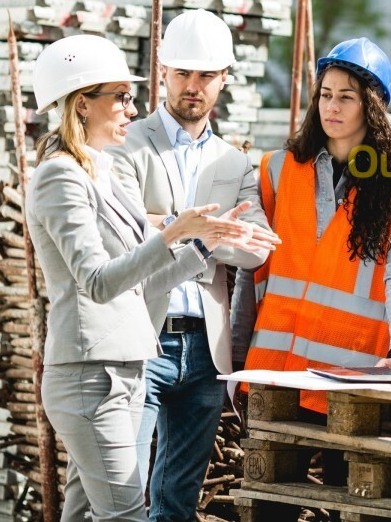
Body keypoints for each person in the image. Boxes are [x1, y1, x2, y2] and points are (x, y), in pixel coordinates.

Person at [25, 35, 266, 522]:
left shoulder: (102, 174)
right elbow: (96, 282)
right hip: (92, 375)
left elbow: (139, 285)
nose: (132, 110)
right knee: (126, 515)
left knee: (83, 514)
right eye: (121, 96)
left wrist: (204, 244)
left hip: (125, 368)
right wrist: (174, 230)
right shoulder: (59, 177)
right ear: (81, 104)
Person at [108, 10, 278, 521]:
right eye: (183, 73)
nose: (193, 86)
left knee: (179, 500)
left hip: (206, 349)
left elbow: (257, 248)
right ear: (163, 72)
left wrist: (177, 227)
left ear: (224, 78)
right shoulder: (126, 145)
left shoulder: (234, 162)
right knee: (125, 493)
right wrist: (203, 228)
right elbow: (118, 233)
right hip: (142, 337)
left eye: (205, 75)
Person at [237, 37, 391, 413]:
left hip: (350, 373)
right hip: (275, 371)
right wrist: (235, 349)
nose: (332, 106)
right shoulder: (278, 169)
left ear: (372, 105)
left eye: (346, 97)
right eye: (325, 95)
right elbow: (252, 269)